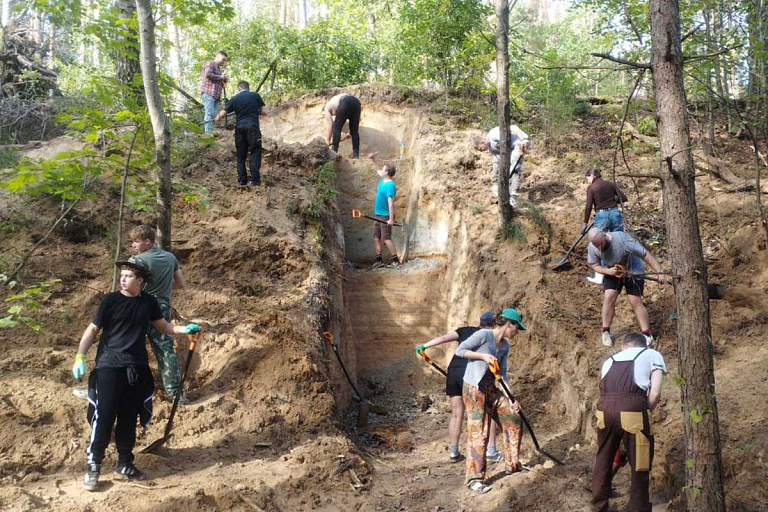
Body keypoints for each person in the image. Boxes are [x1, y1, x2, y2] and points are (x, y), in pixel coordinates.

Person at [72, 256, 199, 491]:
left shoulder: (149, 302)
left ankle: (125, 463)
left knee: (129, 416)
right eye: (122, 275)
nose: (123, 279)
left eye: (128, 276)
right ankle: (94, 465)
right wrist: (80, 356)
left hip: (136, 367)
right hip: (109, 366)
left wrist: (184, 329)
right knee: (105, 414)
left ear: (140, 280)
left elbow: (163, 327)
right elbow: (93, 328)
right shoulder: (110, 301)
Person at [591, 332, 666, 512]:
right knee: (640, 463)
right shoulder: (652, 354)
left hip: (604, 410)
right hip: (632, 410)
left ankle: (598, 507)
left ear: (623, 346)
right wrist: (645, 408)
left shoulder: (609, 360)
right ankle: (638, 508)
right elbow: (655, 393)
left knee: (603, 459)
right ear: (644, 345)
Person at [455, 308, 526, 494]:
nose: (517, 332)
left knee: (513, 416)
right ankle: (474, 479)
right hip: (473, 389)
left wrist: (511, 398)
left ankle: (513, 464)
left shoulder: (505, 346)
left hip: (489, 388)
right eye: (517, 327)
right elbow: (460, 350)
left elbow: (503, 374)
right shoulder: (484, 335)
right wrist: (482, 356)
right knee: (480, 431)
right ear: (509, 324)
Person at [415, 312, 502, 464]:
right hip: (470, 372)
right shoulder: (489, 336)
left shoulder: (464, 330)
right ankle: (491, 451)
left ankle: (454, 452)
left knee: (456, 414)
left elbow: (443, 338)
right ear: (494, 325)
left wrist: (424, 346)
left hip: (453, 371)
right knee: (489, 411)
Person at [129, 225, 187, 403]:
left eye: (136, 241)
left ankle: (130, 388)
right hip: (161, 307)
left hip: (138, 306)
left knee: (130, 347)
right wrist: (162, 290)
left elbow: (130, 287)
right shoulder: (170, 257)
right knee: (165, 348)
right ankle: (175, 393)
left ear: (147, 242)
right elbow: (180, 284)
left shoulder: (136, 260)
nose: (133, 245)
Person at [587, 229, 669, 347]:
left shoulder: (622, 240)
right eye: (596, 246)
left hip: (633, 269)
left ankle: (647, 334)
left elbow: (645, 254)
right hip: (612, 270)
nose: (599, 248)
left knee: (634, 300)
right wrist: (608, 271)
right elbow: (595, 265)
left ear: (605, 236)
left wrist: (659, 272)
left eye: (601, 245)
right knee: (609, 296)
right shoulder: (593, 247)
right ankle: (605, 331)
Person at [582, 167, 630, 285]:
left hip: (602, 215)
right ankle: (623, 269)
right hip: (614, 213)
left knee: (599, 243)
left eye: (587, 178)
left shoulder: (591, 188)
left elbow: (588, 206)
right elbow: (624, 198)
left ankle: (601, 276)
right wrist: (612, 202)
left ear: (592, 176)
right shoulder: (610, 184)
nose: (588, 180)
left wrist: (585, 223)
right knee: (619, 240)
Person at [214, 80, 266, 187]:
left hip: (240, 129)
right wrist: (255, 111)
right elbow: (263, 111)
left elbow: (223, 113)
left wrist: (217, 117)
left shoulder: (234, 99)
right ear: (248, 87)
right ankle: (255, 181)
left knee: (241, 154)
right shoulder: (255, 96)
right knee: (255, 151)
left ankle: (242, 180)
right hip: (253, 127)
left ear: (239, 88)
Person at [474, 125, 530, 207]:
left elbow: (514, 127)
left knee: (514, 168)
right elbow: (500, 160)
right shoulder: (491, 149)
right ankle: (496, 185)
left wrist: (523, 140)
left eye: (480, 149)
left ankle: (514, 196)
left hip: (519, 143)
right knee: (496, 162)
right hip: (510, 149)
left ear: (482, 142)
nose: (481, 151)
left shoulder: (493, 135)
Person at [369, 152, 399, 269]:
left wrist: (391, 219)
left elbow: (390, 203)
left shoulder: (390, 185)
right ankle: (379, 260)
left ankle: (395, 261)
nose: (381, 170)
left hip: (385, 216)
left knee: (386, 238)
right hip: (377, 215)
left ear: (387, 172)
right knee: (376, 237)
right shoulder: (383, 179)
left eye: (383, 169)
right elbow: (378, 170)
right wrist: (373, 159)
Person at [324, 93, 361, 159]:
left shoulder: (326, 108)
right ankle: (356, 155)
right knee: (354, 131)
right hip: (356, 102)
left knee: (336, 127)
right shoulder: (335, 100)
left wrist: (327, 141)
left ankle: (334, 151)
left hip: (345, 102)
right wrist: (349, 132)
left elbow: (330, 124)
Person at [200, 51, 228, 133]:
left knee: (213, 114)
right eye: (223, 59)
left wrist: (224, 80)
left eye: (225, 60)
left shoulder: (219, 69)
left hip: (216, 95)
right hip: (209, 92)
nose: (223, 62)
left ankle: (210, 131)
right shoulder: (210, 64)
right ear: (218, 56)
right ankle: (208, 133)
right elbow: (208, 74)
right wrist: (221, 77)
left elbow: (219, 80)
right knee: (209, 113)